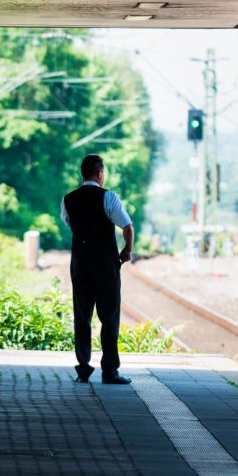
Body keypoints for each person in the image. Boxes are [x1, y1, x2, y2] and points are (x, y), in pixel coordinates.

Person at [61, 154, 134, 384]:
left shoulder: (68, 199)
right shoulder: (109, 197)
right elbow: (127, 227)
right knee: (109, 316)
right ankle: (109, 371)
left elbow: (69, 223)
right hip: (105, 264)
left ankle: (83, 368)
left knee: (82, 316)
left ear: (82, 174)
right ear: (100, 173)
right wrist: (127, 251)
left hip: (80, 263)